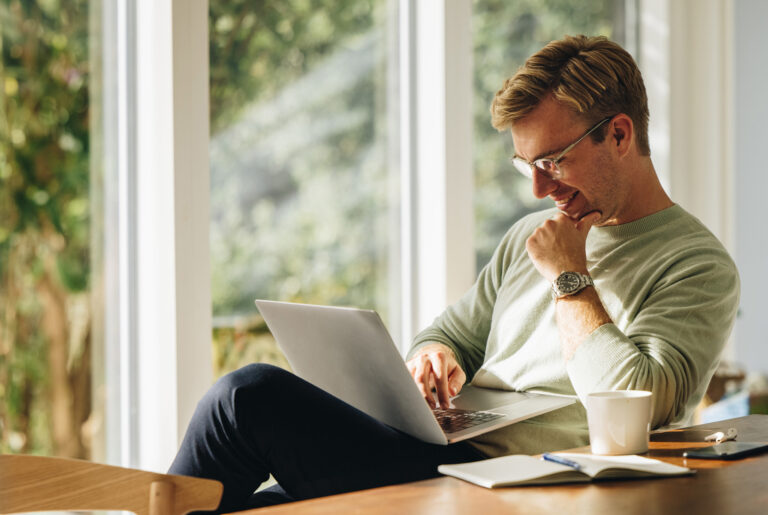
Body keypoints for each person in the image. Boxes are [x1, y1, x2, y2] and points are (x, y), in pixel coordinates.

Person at [169, 35, 739, 511]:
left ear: (619, 134)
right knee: (238, 504)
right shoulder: (528, 238)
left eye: (553, 161)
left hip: (522, 479)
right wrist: (431, 358)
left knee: (246, 398)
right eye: (527, 166)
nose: (540, 189)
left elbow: (637, 399)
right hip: (437, 450)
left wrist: (570, 277)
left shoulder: (697, 266)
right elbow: (451, 335)